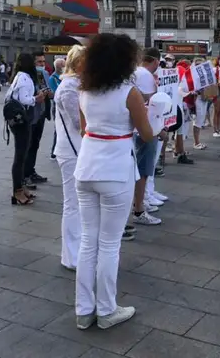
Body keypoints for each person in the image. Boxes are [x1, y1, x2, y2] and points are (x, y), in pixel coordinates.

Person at [75, 33, 159, 330]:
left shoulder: (85, 91)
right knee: (109, 244)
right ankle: (107, 309)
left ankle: (84, 311)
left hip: (85, 168)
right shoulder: (129, 93)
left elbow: (85, 128)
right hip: (115, 169)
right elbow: (147, 134)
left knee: (88, 242)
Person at [53, 45, 86, 270]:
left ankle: (77, 251)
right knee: (72, 203)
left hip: (78, 148)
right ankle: (70, 256)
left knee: (79, 203)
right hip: (71, 150)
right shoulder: (68, 88)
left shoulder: (79, 85)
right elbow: (79, 123)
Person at [5, 54, 47, 206]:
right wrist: (37, 98)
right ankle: (17, 192)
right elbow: (24, 99)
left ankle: (21, 188)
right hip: (21, 121)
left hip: (18, 120)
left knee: (22, 155)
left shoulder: (19, 76)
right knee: (20, 157)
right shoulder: (25, 79)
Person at [130, 48, 162, 227]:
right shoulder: (146, 76)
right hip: (144, 128)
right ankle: (139, 207)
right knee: (143, 168)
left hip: (131, 131)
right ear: (155, 61)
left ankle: (139, 203)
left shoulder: (132, 74)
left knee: (139, 167)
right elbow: (151, 103)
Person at [24, 51, 53, 188]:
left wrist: (49, 93)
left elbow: (48, 91)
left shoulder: (44, 74)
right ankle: (24, 175)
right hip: (30, 115)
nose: (42, 64)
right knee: (27, 146)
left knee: (35, 144)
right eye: (39, 62)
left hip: (40, 113)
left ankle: (31, 171)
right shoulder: (27, 76)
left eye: (43, 62)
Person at [48, 58, 64, 160]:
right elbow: (54, 94)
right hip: (57, 106)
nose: (63, 67)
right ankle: (54, 151)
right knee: (57, 128)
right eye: (61, 66)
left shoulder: (65, 77)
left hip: (64, 104)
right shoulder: (52, 78)